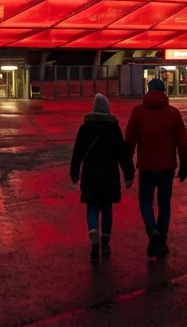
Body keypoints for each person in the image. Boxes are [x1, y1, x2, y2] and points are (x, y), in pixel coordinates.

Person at [124, 78, 187, 257]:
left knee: (145, 201)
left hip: (146, 166)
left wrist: (127, 164)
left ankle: (152, 230)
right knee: (164, 204)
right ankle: (162, 237)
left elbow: (130, 140)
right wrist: (184, 164)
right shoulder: (173, 112)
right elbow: (182, 142)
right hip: (167, 166)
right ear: (163, 91)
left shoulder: (138, 112)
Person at [70, 94, 134, 261]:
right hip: (109, 174)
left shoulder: (84, 128)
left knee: (92, 206)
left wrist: (74, 173)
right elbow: (122, 154)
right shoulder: (113, 129)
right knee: (107, 208)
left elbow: (77, 153)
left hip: (90, 174)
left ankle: (93, 231)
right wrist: (129, 174)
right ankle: (105, 242)